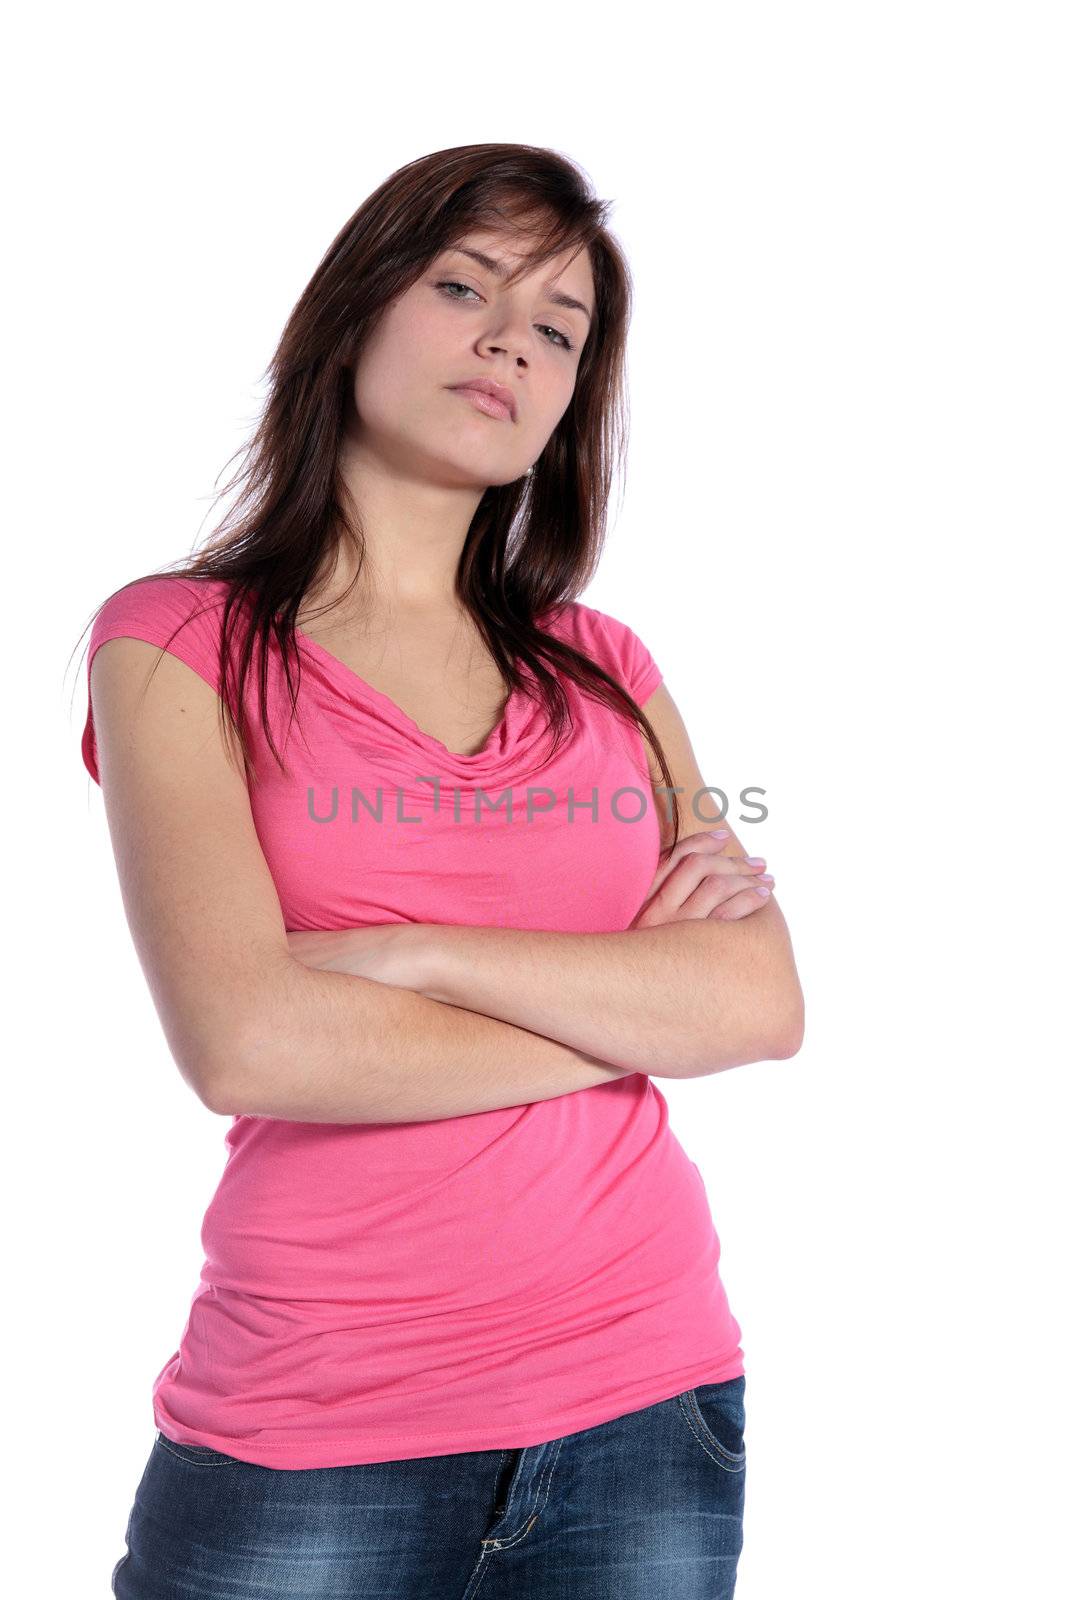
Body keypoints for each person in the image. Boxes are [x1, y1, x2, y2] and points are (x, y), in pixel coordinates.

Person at [79, 142, 804, 1598]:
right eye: (464, 285)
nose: (507, 343)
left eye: (556, 328)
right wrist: (623, 1006)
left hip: (648, 1397)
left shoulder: (608, 670)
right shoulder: (172, 646)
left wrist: (413, 953)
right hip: (314, 1426)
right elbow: (249, 1039)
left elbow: (757, 1005)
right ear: (350, 318)